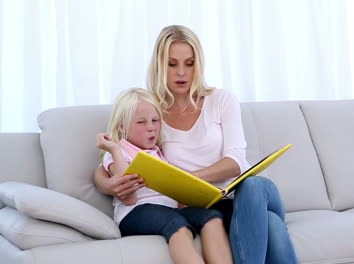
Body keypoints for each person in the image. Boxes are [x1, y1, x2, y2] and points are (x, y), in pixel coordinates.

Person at [94, 25, 299, 264]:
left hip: (242, 198)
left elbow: (235, 162)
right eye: (172, 64)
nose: (181, 73)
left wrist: (189, 181)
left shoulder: (221, 100)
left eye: (189, 63)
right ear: (160, 66)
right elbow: (118, 154)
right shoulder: (152, 112)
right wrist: (109, 184)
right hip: (207, 208)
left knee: (252, 185)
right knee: (271, 224)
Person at [96, 88, 232, 264]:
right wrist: (114, 149)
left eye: (155, 120)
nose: (151, 128)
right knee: (177, 225)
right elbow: (129, 198)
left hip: (168, 209)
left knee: (212, 217)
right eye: (141, 122)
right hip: (136, 211)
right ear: (122, 126)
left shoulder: (158, 152)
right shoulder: (118, 152)